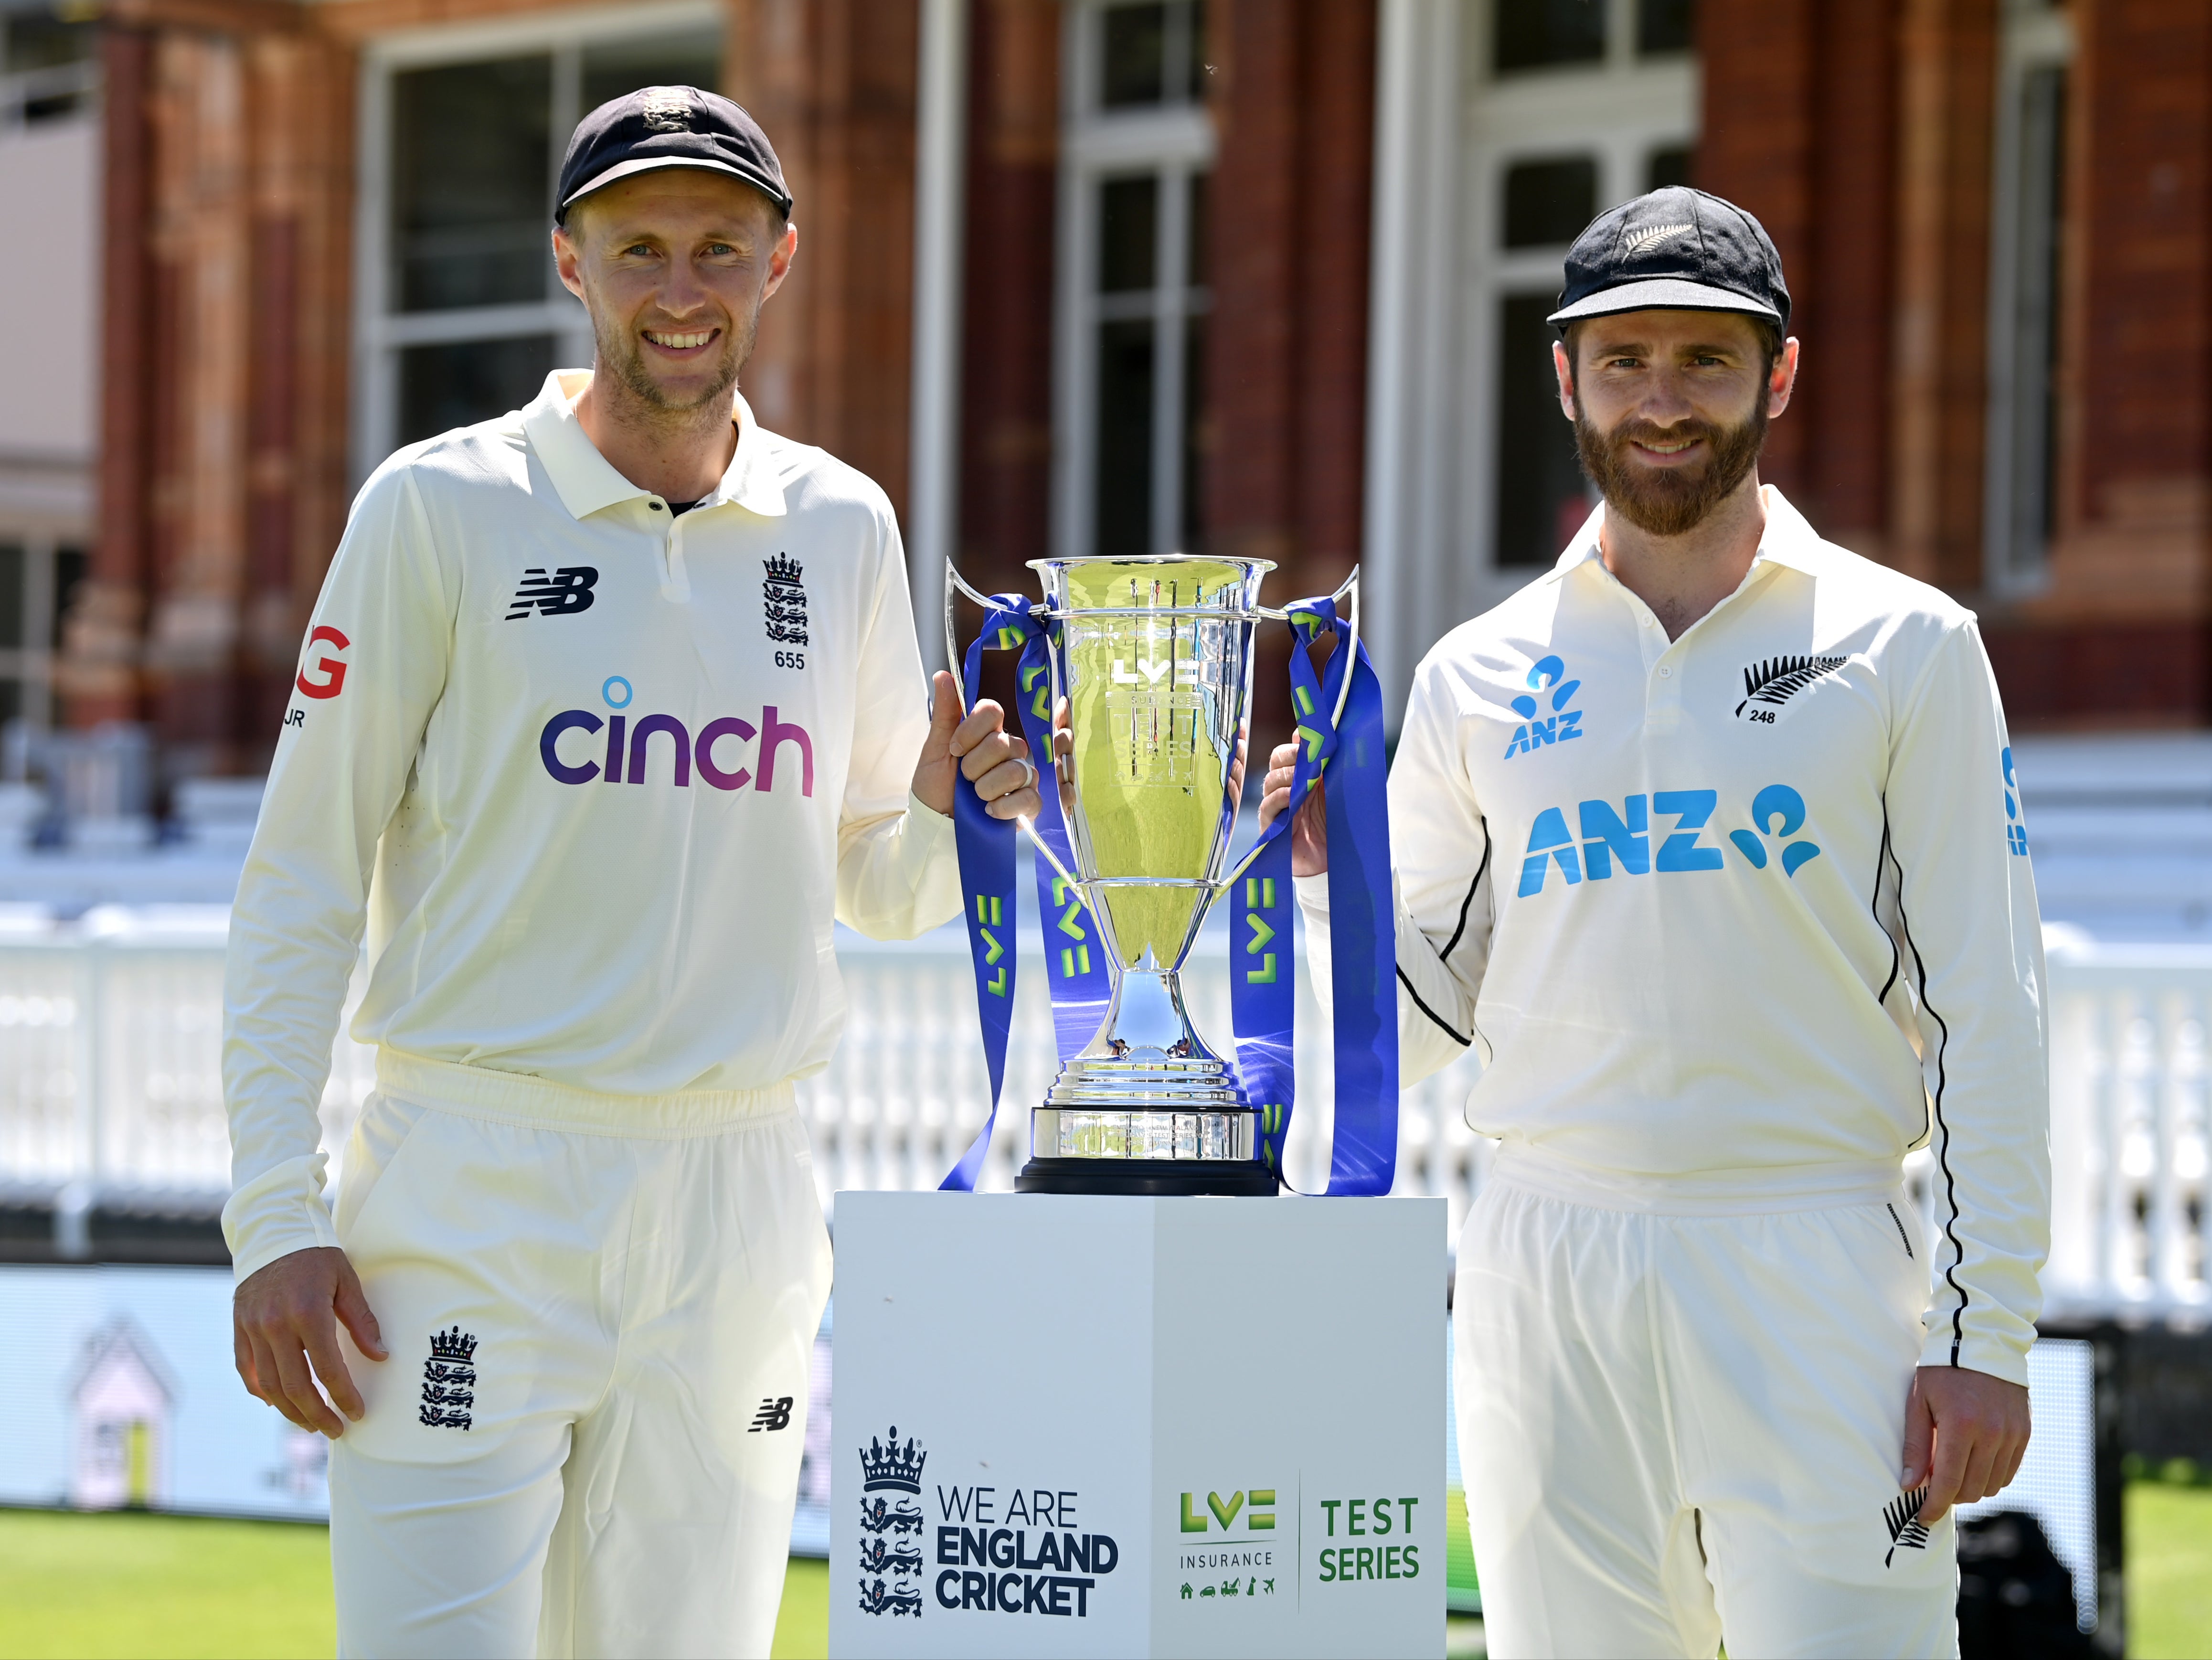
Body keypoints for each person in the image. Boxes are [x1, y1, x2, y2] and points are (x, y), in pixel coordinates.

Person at [222, 86, 1039, 1658]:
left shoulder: (843, 524)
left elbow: (869, 883)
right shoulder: (437, 506)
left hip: (737, 1201)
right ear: (570, 263)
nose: (682, 289)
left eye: (720, 248)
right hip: (474, 1186)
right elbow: (301, 880)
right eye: (641, 247)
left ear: (780, 263)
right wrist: (273, 1213)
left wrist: (953, 815)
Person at [1265, 186, 2046, 1657]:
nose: (1664, 400)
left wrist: (1985, 1337)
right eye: (1625, 360)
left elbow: (1989, 1013)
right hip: (1544, 1267)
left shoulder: (1908, 646)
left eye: (1706, 358)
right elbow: (1427, 1025)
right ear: (1565, 376)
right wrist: (1325, 877)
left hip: (1816, 1261)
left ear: (1780, 374)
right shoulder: (1477, 672)